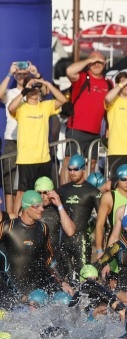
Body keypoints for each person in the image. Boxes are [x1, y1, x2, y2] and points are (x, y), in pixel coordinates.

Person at [8, 75, 67, 214]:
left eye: (36, 88)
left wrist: (46, 83)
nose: (34, 90)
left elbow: (63, 100)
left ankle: (41, 218)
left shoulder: (45, 106)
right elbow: (11, 108)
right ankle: (15, 222)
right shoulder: (21, 108)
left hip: (43, 158)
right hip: (26, 159)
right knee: (22, 193)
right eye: (31, 88)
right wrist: (25, 90)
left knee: (44, 193)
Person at [0, 190, 65, 297]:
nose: (41, 209)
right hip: (12, 290)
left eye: (42, 206)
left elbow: (48, 259)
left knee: (64, 299)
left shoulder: (43, 228)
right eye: (36, 206)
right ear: (26, 207)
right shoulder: (7, 227)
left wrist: (62, 282)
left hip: (36, 289)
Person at [64, 51, 111, 172]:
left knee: (92, 163)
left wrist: (108, 128)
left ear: (104, 64)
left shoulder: (109, 83)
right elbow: (69, 71)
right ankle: (66, 185)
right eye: (93, 61)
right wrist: (88, 60)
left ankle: (86, 185)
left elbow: (109, 109)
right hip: (76, 129)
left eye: (99, 62)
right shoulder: (83, 77)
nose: (96, 64)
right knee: (70, 161)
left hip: (95, 132)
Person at [56, 154, 100, 279]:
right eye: (69, 169)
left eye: (75, 169)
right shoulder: (62, 190)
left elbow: (103, 221)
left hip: (82, 241)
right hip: (63, 240)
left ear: (83, 169)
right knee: (66, 278)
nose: (72, 172)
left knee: (84, 278)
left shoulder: (92, 192)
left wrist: (100, 247)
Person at [0, 62, 31, 206]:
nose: (22, 77)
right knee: (9, 179)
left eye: (25, 74)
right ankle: (10, 214)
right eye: (19, 74)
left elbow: (45, 91)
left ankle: (23, 213)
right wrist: (9, 73)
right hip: (12, 139)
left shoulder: (33, 92)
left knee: (27, 180)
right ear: (15, 76)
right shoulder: (11, 92)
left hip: (29, 140)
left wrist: (35, 74)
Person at [93, 165, 127, 261]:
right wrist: (99, 250)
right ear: (118, 179)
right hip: (114, 243)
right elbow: (100, 225)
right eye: (123, 179)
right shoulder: (109, 197)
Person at [33, 177, 77, 264]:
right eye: (39, 193)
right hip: (35, 260)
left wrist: (59, 205)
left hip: (55, 261)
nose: (42, 196)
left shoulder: (59, 209)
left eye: (45, 193)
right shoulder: (29, 209)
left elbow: (70, 231)